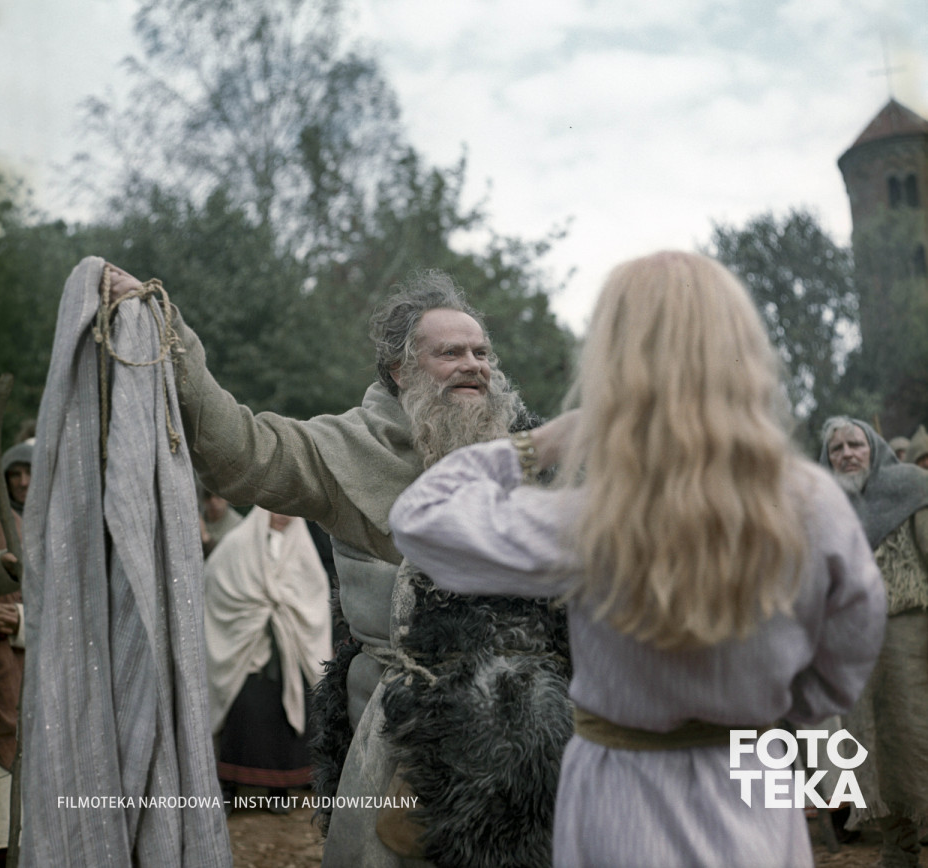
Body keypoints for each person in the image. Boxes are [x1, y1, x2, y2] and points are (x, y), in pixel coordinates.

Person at [389, 251, 887, 868]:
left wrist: (537, 445)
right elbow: (846, 654)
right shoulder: (816, 504)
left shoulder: (596, 521)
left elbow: (421, 516)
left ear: (614, 362)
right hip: (756, 777)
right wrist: (772, 708)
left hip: (622, 791)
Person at [103, 265, 534, 866]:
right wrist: (167, 332)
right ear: (400, 369)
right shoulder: (344, 450)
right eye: (451, 352)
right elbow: (240, 452)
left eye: (481, 352)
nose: (474, 365)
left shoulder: (525, 453)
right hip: (398, 731)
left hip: (522, 729)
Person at [821, 415, 928, 867]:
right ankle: (897, 849)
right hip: (853, 649)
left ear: (874, 448)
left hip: (910, 638)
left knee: (916, 736)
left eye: (855, 444)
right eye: (836, 449)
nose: (847, 454)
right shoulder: (824, 510)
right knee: (868, 748)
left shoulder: (911, 488)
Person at [205, 508, 332, 814]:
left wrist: (284, 609)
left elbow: (315, 596)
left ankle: (279, 788)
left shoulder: (303, 548)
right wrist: (258, 609)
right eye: (275, 508)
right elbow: (216, 583)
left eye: (288, 511)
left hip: (288, 650)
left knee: (284, 715)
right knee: (243, 710)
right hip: (248, 650)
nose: (281, 516)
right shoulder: (237, 543)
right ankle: (229, 785)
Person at [0, 444, 29, 867]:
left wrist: (20, 620)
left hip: (12, 699)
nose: (23, 483)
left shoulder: (20, 529)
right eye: (14, 474)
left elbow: (65, 616)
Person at [199, 488, 243, 558]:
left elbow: (228, 556)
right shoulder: (197, 521)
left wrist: (205, 536)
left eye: (218, 496)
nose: (213, 501)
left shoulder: (238, 524)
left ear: (226, 498)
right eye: (208, 496)